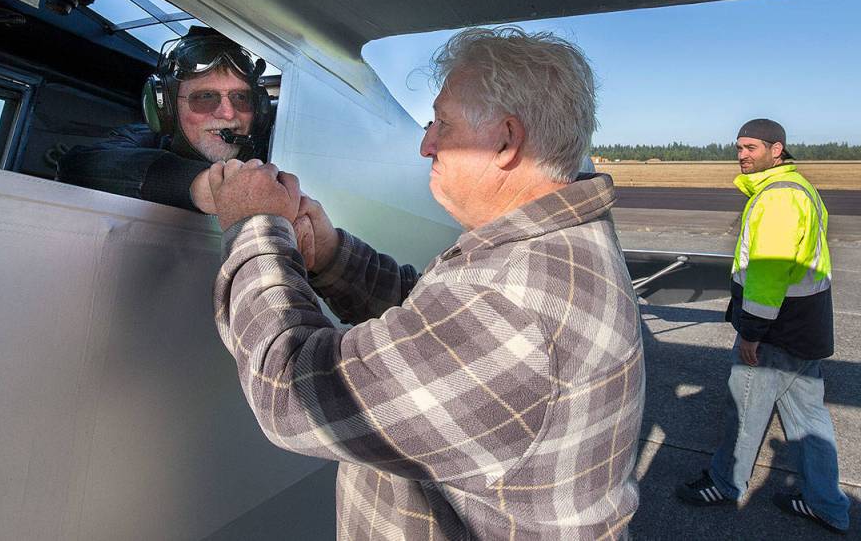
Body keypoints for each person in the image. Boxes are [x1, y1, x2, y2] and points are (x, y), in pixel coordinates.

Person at [208, 27, 645, 539]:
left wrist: (253, 224)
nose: (426, 144)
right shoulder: (552, 245)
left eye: (442, 124)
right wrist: (330, 257)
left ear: (506, 142)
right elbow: (434, 326)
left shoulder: (514, 308)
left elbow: (290, 396)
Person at [675, 119, 849, 534]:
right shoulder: (797, 188)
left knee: (745, 409)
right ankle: (827, 504)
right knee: (808, 418)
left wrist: (752, 332)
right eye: (738, 147)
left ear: (777, 149)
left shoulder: (778, 199)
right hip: (805, 325)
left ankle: (725, 483)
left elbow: (768, 273)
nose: (742, 155)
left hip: (776, 330)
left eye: (751, 147)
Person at [56, 26, 272, 212]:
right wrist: (204, 187)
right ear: (166, 107)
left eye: (240, 97)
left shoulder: (275, 152)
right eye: (205, 97)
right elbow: (77, 164)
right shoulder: (140, 138)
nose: (227, 113)